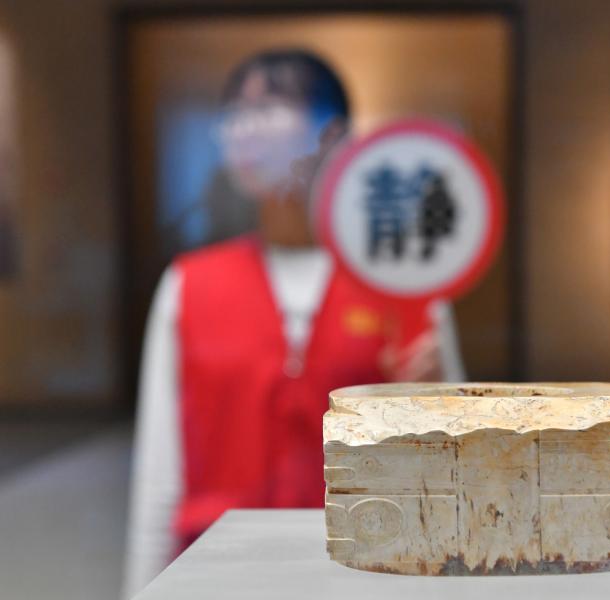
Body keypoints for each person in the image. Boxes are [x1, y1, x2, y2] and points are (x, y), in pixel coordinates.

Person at [122, 49, 465, 597]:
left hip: (363, 576)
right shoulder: (189, 285)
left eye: (270, 107)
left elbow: (457, 469)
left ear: (332, 134)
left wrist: (439, 404)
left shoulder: (403, 285)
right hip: (220, 576)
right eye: (235, 113)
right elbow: (160, 478)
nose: (245, 128)